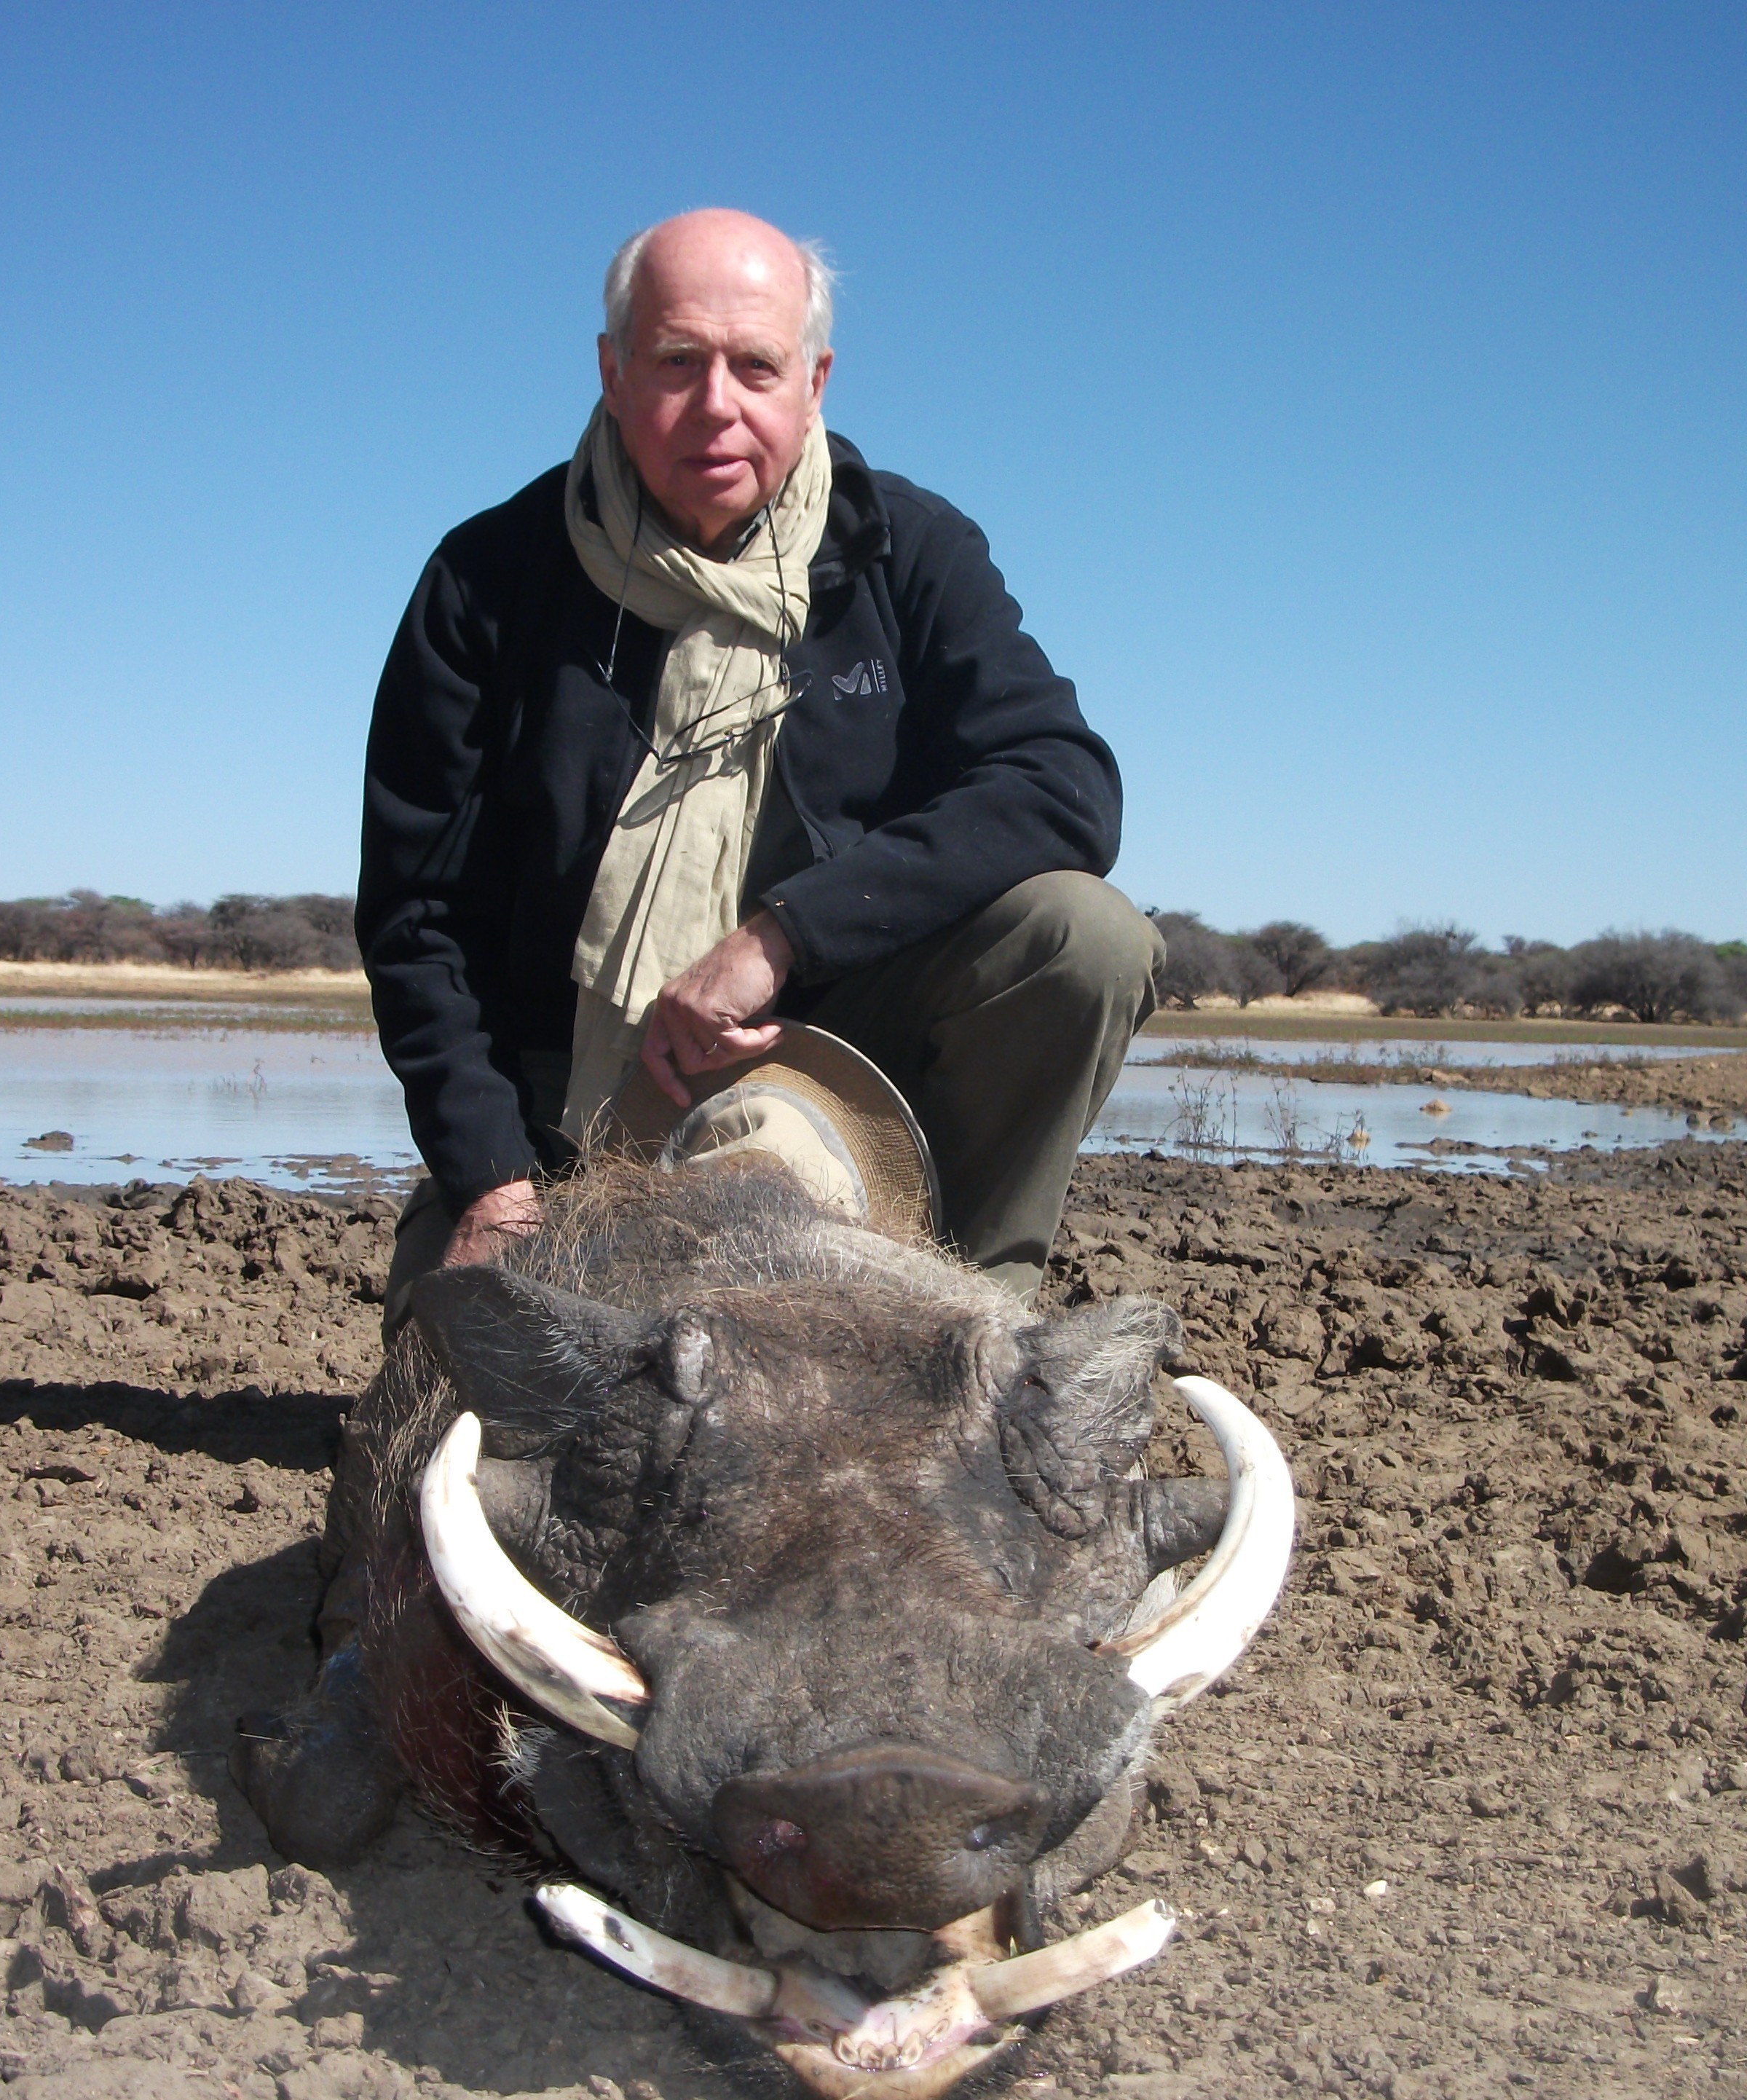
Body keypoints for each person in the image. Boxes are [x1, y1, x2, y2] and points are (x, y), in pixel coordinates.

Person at [358, 208, 1160, 1311]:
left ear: (816, 381)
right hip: (558, 1099)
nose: (717, 405)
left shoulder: (913, 553)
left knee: (1086, 937)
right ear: (612, 369)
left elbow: (1062, 786)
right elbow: (418, 920)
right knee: (465, 1385)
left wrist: (780, 935)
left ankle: (979, 1310)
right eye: (677, 362)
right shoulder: (484, 581)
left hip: (834, 1063)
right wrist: (494, 1187)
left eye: (757, 366)